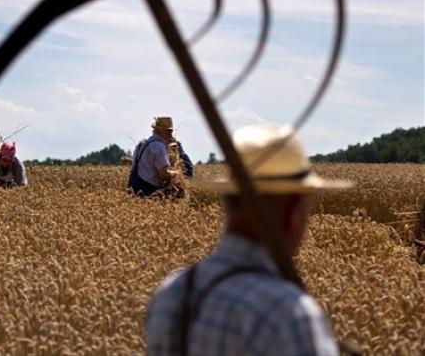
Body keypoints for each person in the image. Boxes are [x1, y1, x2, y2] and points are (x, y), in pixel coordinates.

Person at [146, 124, 352, 355]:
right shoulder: (289, 315)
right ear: (291, 212)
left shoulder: (171, 294)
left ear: (228, 201)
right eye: (307, 211)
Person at [128, 116, 182, 196]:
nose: (171, 134)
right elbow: (163, 174)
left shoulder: (143, 143)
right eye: (169, 131)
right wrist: (176, 173)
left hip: (133, 185)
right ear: (161, 131)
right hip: (146, 189)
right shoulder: (159, 146)